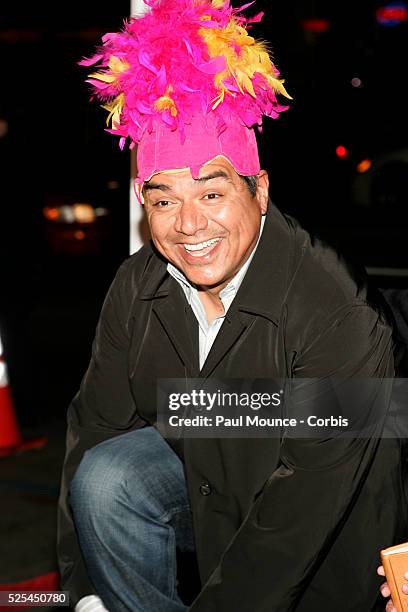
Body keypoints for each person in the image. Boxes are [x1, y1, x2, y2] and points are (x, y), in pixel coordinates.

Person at [57, 1, 407, 610]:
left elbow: (305, 504)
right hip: (222, 465)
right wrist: (83, 592)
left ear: (259, 191)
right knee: (109, 475)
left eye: (212, 193)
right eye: (163, 202)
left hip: (331, 526)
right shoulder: (137, 286)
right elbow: (94, 429)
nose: (189, 225)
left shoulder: (336, 311)